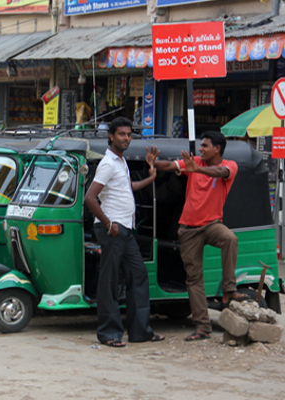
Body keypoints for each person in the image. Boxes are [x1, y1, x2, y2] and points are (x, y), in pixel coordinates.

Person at [147, 131, 249, 342]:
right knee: (194, 279)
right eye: (201, 145)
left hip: (212, 224)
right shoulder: (193, 161)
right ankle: (202, 327)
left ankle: (229, 290)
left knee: (230, 239)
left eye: (205, 146)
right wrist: (154, 163)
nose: (200, 149)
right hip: (188, 229)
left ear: (217, 149)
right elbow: (171, 166)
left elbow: (222, 172)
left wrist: (198, 169)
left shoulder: (230, 165)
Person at [84, 117, 165, 347]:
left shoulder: (121, 161)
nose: (126, 138)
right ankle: (109, 334)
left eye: (129, 135)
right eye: (122, 134)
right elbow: (90, 198)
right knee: (110, 281)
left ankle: (140, 331)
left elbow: (127, 188)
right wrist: (109, 225)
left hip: (125, 230)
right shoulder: (108, 163)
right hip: (112, 230)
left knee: (138, 275)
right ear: (111, 136)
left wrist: (151, 176)